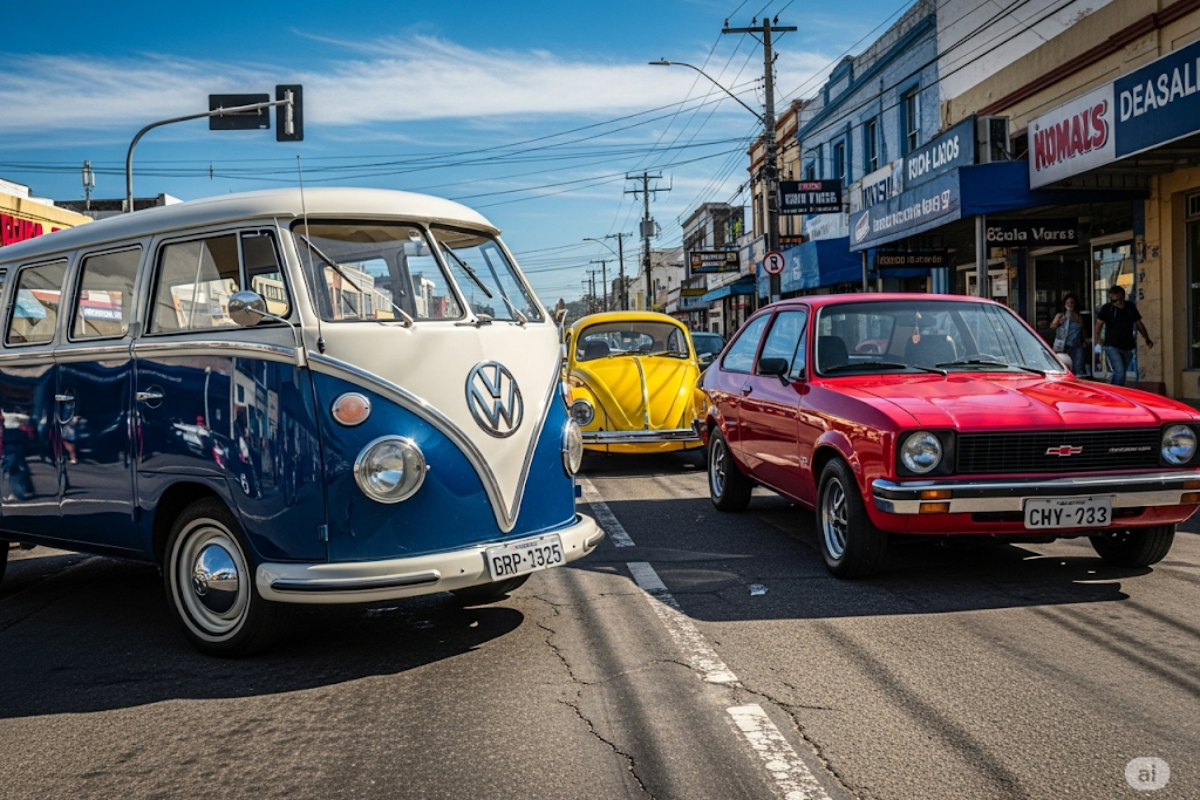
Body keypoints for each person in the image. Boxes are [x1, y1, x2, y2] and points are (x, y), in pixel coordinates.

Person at [1093, 285, 1153, 386]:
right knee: (1120, 372)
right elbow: (1098, 326)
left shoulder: (1130, 307)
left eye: (1117, 300)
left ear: (1122, 297)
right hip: (1111, 345)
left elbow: (1139, 324)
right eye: (1113, 300)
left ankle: (1111, 388)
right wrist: (1097, 341)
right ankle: (1116, 394)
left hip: (1127, 346)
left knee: (1120, 373)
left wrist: (1147, 338)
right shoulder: (1107, 308)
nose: (1115, 303)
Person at [1050, 293, 1085, 373]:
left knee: (1077, 367)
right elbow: (1052, 326)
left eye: (1072, 303)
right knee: (1064, 368)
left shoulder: (1078, 317)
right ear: (1065, 304)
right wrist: (1058, 322)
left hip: (1077, 345)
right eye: (1068, 303)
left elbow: (1083, 329)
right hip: (1063, 346)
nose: (1070, 305)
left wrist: (1084, 341)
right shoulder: (1060, 315)